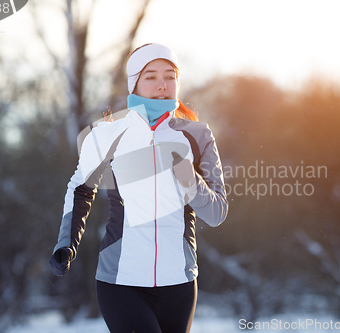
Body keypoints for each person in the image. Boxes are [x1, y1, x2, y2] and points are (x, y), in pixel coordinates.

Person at [49, 43, 228, 333]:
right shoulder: (108, 134)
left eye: (170, 76)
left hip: (179, 284)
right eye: (151, 76)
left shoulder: (197, 136)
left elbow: (217, 212)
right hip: (121, 282)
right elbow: (81, 189)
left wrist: (188, 178)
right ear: (134, 83)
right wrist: (66, 243)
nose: (162, 84)